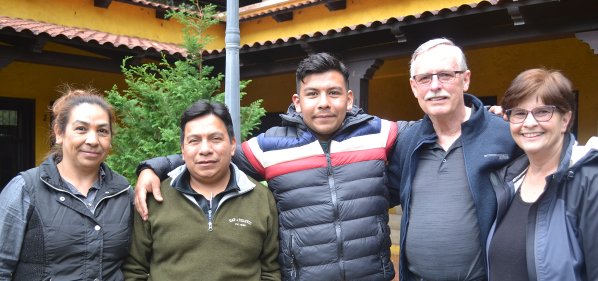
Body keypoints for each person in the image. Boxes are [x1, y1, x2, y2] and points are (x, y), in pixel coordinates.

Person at [134, 53, 398, 280]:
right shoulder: (268, 147)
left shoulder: (382, 134)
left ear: (349, 98)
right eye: (312, 94)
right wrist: (153, 167)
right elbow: (212, 154)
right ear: (297, 101)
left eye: (334, 93)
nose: (324, 103)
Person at [386, 38, 522, 281]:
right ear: (414, 86)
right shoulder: (407, 141)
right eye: (425, 78)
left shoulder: (504, 134)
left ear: (466, 79)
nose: (435, 86)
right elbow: (372, 195)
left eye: (446, 75)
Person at [122, 101, 280, 280]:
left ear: (233, 144)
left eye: (215, 139)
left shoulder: (261, 198)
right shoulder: (154, 197)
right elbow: (135, 269)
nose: (205, 149)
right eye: (194, 141)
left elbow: (270, 270)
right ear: (183, 149)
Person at [0, 88, 133, 280]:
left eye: (102, 131)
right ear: (59, 133)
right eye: (81, 129)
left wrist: (153, 167)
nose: (93, 140)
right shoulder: (25, 189)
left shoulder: (123, 193)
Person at [486, 68, 598, 281]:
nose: (529, 123)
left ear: (565, 119)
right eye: (519, 113)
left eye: (542, 111)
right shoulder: (508, 181)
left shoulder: (590, 182)